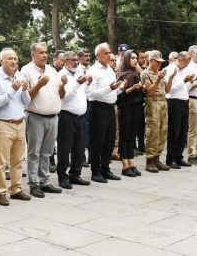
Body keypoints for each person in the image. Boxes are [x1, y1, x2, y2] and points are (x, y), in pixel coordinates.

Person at [20, 43, 66, 198]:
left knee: (47, 152)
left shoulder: (52, 70)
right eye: (41, 52)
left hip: (53, 117)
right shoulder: (26, 71)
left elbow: (60, 94)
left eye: (46, 52)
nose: (45, 55)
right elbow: (25, 98)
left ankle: (44, 181)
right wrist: (39, 85)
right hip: (36, 117)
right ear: (33, 54)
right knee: (34, 153)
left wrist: (63, 86)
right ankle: (34, 184)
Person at [0, 48, 33, 205]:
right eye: (10, 59)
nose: (14, 61)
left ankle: (15, 189)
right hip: (3, 124)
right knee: (1, 162)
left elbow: (27, 102)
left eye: (15, 58)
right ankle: (0, 192)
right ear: (1, 61)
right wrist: (12, 89)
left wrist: (24, 90)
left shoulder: (19, 75)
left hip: (20, 123)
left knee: (18, 160)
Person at [86, 43, 126, 183]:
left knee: (109, 140)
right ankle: (95, 171)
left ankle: (105, 168)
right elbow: (90, 93)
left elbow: (112, 90)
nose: (109, 55)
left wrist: (119, 88)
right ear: (98, 55)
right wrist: (109, 89)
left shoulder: (110, 69)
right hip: (97, 107)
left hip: (110, 107)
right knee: (98, 141)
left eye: (110, 52)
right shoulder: (93, 70)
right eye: (106, 53)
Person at [56, 51, 92, 189]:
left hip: (81, 116)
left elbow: (85, 95)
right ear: (64, 61)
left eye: (77, 60)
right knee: (65, 147)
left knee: (80, 146)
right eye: (72, 60)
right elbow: (64, 98)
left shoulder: (79, 74)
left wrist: (87, 85)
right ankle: (62, 176)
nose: (76, 62)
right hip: (66, 116)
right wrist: (77, 84)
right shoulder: (60, 76)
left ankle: (75, 174)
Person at [165, 51, 197, 169]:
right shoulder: (170, 70)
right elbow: (168, 90)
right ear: (180, 60)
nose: (187, 65)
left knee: (183, 131)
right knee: (174, 131)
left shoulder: (184, 71)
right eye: (186, 62)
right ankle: (171, 158)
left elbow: (184, 89)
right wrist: (184, 81)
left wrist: (190, 82)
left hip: (184, 101)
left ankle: (179, 157)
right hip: (174, 102)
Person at [141, 50, 171, 173]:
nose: (159, 64)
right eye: (157, 62)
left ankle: (157, 158)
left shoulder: (159, 73)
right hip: (152, 103)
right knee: (152, 131)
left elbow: (167, 90)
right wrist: (158, 80)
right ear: (151, 60)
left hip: (163, 102)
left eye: (160, 62)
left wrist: (170, 78)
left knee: (162, 131)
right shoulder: (145, 74)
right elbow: (150, 91)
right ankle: (150, 160)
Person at [116, 50, 144, 177]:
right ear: (126, 59)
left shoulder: (136, 73)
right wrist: (132, 88)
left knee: (132, 137)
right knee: (125, 137)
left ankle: (131, 163)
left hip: (136, 108)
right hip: (126, 108)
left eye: (136, 58)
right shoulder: (122, 75)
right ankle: (125, 165)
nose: (135, 60)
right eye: (132, 58)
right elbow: (118, 97)